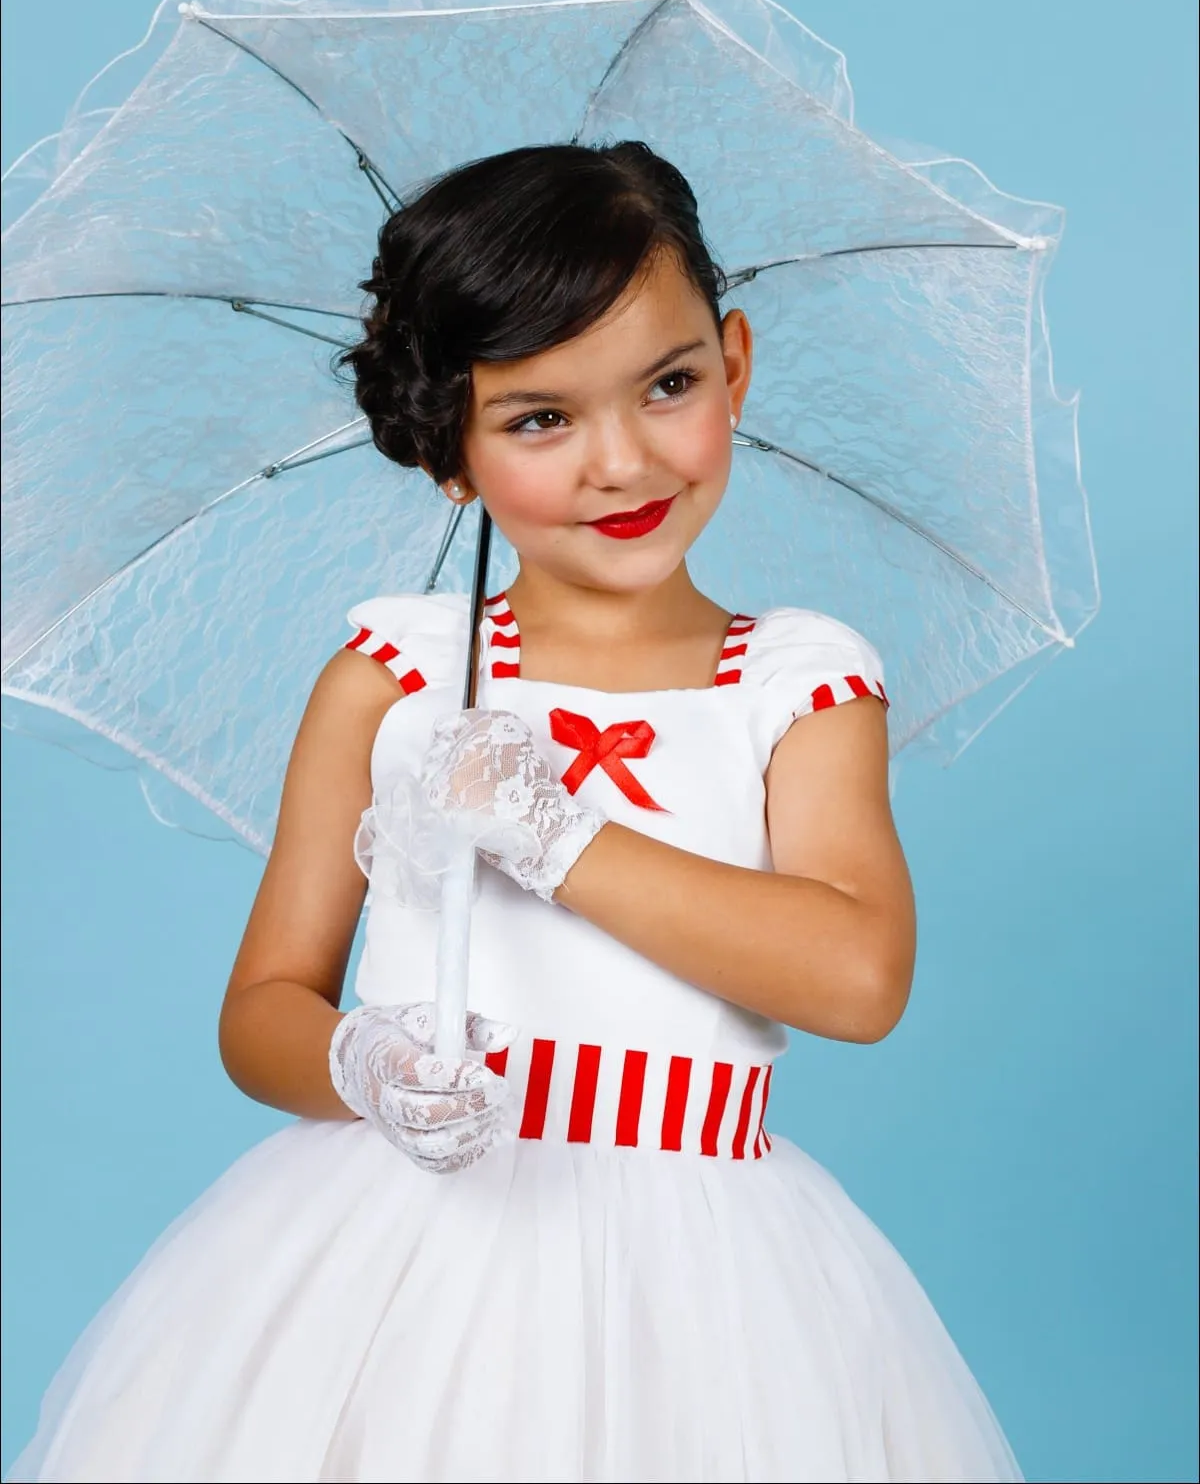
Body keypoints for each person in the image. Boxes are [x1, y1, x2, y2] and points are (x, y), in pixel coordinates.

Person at [9, 142, 1022, 1483]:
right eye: (540, 419)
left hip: (711, 1279)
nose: (621, 460)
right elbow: (264, 1010)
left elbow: (855, 975)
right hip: (406, 1249)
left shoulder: (798, 679)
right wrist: (364, 1069)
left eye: (667, 385)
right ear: (447, 453)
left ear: (737, 362)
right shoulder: (398, 678)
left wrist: (560, 835)